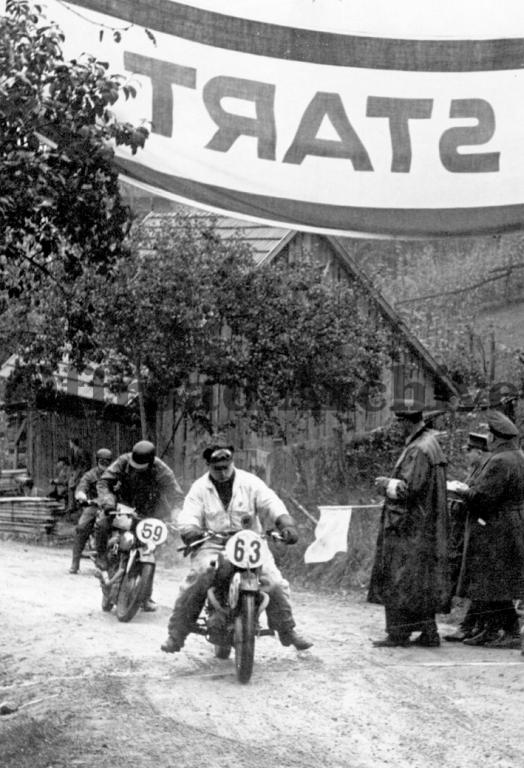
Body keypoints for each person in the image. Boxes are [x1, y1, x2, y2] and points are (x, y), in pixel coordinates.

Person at [161, 443, 313, 653]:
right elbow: (189, 513)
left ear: (232, 463)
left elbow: (271, 502)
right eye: (217, 469)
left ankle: (287, 630)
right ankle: (177, 634)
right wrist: (190, 530)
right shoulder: (200, 488)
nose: (223, 473)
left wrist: (286, 524)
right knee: (201, 574)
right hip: (213, 543)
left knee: (274, 582)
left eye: (226, 467)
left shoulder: (250, 482)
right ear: (208, 466)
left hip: (250, 542)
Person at [367, 404, 451, 647]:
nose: (397, 427)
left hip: (409, 525)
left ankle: (398, 633)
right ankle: (428, 631)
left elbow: (408, 489)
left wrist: (386, 484)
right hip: (425, 524)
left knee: (400, 577)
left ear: (406, 421)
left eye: (399, 422)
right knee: (420, 579)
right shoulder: (430, 444)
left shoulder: (418, 449)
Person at [449, 411, 524, 648]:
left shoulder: (500, 461)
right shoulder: (518, 456)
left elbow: (483, 498)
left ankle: (510, 631)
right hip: (511, 524)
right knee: (496, 581)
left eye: (490, 434)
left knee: (493, 580)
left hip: (495, 528)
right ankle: (491, 629)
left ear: (495, 437)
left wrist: (462, 491)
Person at [96, 440, 182, 612]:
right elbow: (104, 482)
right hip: (124, 506)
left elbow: (177, 496)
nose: (137, 469)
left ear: (151, 462)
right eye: (134, 466)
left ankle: (145, 596)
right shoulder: (123, 461)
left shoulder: (162, 470)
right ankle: (102, 558)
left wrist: (177, 515)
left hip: (151, 512)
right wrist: (108, 503)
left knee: (150, 550)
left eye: (141, 467)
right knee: (103, 523)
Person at [444, 432, 490, 642]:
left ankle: (471, 625)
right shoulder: (476, 470)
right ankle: (471, 625)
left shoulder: (485, 471)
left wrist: (461, 492)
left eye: (469, 451)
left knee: (475, 581)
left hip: (476, 531)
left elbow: (479, 499)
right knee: (473, 581)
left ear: (479, 452)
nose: (466, 455)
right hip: (464, 530)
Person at [68, 448, 113, 574]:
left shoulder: (115, 473)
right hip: (95, 505)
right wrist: (81, 494)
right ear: (97, 461)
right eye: (102, 461)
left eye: (107, 462)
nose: (104, 464)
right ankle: (75, 562)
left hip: (112, 506)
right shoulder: (91, 475)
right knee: (82, 527)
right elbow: (82, 485)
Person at [67, 438, 91, 517]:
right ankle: (72, 507)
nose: (70, 445)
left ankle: (78, 508)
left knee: (78, 489)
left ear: (73, 443)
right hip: (76, 472)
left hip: (81, 473)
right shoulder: (73, 452)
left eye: (70, 443)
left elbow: (86, 463)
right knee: (71, 487)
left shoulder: (81, 451)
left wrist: (83, 473)